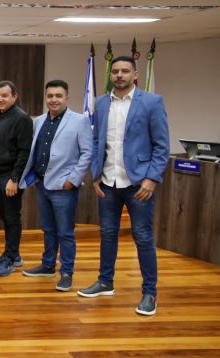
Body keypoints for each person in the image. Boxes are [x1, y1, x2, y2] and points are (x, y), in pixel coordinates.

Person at [77, 56, 169, 316]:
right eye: (115, 71)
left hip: (138, 183)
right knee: (107, 234)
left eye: (124, 71)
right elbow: (97, 142)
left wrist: (152, 179)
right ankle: (105, 282)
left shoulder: (152, 102)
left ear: (135, 74)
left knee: (142, 237)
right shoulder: (102, 102)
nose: (119, 75)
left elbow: (161, 146)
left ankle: (149, 293)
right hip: (107, 182)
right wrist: (96, 176)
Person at [19, 80, 92, 292]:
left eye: (58, 96)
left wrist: (74, 179)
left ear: (67, 98)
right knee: (48, 229)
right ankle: (48, 265)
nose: (53, 100)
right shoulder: (39, 120)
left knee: (65, 232)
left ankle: (67, 272)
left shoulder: (79, 121)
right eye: (50, 96)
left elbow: (87, 153)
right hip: (42, 184)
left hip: (64, 187)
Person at [0, 80, 33, 277]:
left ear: (15, 96)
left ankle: (12, 259)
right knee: (6, 216)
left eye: (4, 96)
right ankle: (10, 253)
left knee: (13, 217)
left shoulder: (22, 119)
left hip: (10, 176)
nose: (0, 99)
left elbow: (24, 152)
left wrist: (15, 179)